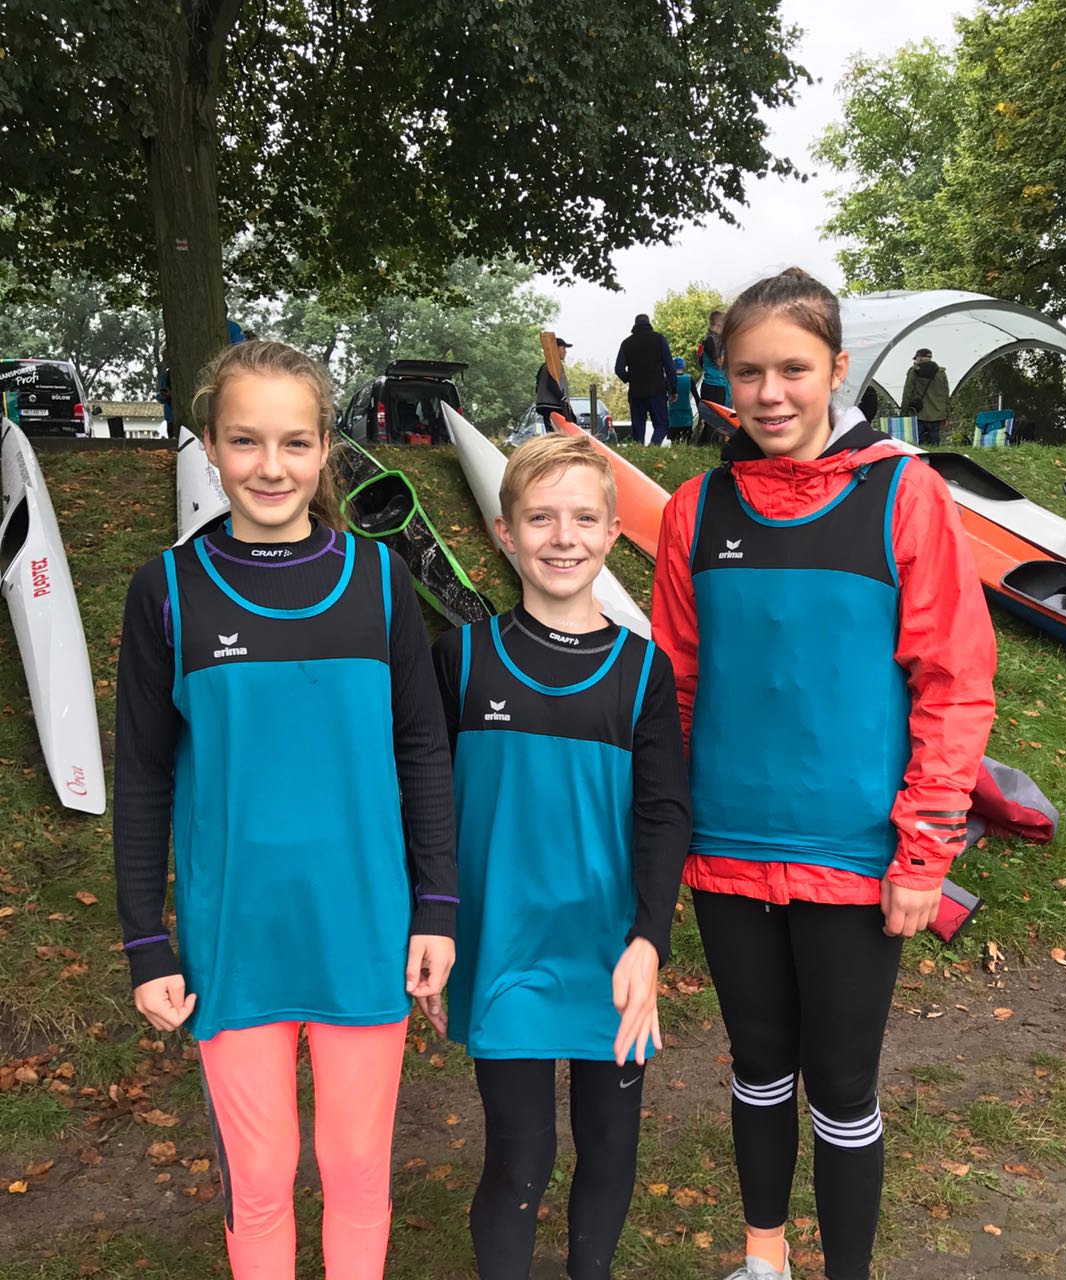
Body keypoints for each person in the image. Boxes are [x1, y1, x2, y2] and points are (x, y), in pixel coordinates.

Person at [651, 269, 996, 1280]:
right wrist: (662, 830)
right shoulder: (693, 509)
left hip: (856, 854)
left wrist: (924, 850)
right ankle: (764, 1260)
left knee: (842, 1086)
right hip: (726, 846)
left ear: (836, 368)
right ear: (724, 377)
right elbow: (674, 685)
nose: (769, 394)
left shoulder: (905, 494)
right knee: (758, 1068)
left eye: (793, 369)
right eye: (748, 371)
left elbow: (953, 683)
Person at [114, 339, 457, 1280]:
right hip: (235, 939)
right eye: (246, 440)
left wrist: (436, 907)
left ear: (325, 449)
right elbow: (142, 775)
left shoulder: (380, 582)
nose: (271, 466)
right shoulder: (167, 591)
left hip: (364, 928)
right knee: (261, 1178)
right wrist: (146, 940)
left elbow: (423, 752)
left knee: (356, 1170)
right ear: (210, 447)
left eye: (296, 442)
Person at [432, 434, 691, 1280]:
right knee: (521, 1159)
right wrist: (429, 927)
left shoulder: (641, 671)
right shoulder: (461, 660)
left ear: (613, 533)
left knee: (610, 1148)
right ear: (504, 532)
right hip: (502, 949)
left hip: (609, 954)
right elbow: (423, 807)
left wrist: (649, 940)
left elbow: (664, 815)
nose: (563, 537)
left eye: (583, 518)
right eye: (540, 518)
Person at [614, 313, 678, 445]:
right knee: (661, 425)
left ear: (635, 325)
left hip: (636, 392)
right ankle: (653, 447)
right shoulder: (659, 339)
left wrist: (629, 379)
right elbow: (669, 366)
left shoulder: (627, 343)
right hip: (657, 390)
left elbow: (619, 369)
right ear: (649, 324)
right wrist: (673, 389)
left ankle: (639, 452)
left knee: (638, 430)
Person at [900, 347, 950, 445]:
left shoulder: (914, 372)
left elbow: (907, 393)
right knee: (934, 446)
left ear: (919, 357)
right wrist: (946, 415)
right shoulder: (941, 373)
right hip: (936, 415)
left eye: (916, 358)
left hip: (918, 414)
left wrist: (903, 413)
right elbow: (946, 396)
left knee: (915, 445)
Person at [536, 336, 574, 432]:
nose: (565, 351)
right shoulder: (554, 365)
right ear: (556, 349)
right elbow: (551, 383)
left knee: (553, 432)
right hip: (553, 406)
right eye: (563, 348)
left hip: (546, 406)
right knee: (564, 431)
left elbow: (537, 386)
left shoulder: (545, 366)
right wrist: (563, 399)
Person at [699, 309, 732, 409]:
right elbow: (720, 363)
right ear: (719, 324)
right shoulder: (710, 340)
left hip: (721, 385)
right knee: (718, 417)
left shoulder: (717, 339)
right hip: (715, 387)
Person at [667, 356, 701, 443]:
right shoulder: (689, 379)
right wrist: (701, 414)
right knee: (687, 443)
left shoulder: (668, 380)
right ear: (683, 366)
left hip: (673, 417)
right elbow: (697, 398)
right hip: (686, 417)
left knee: (674, 444)